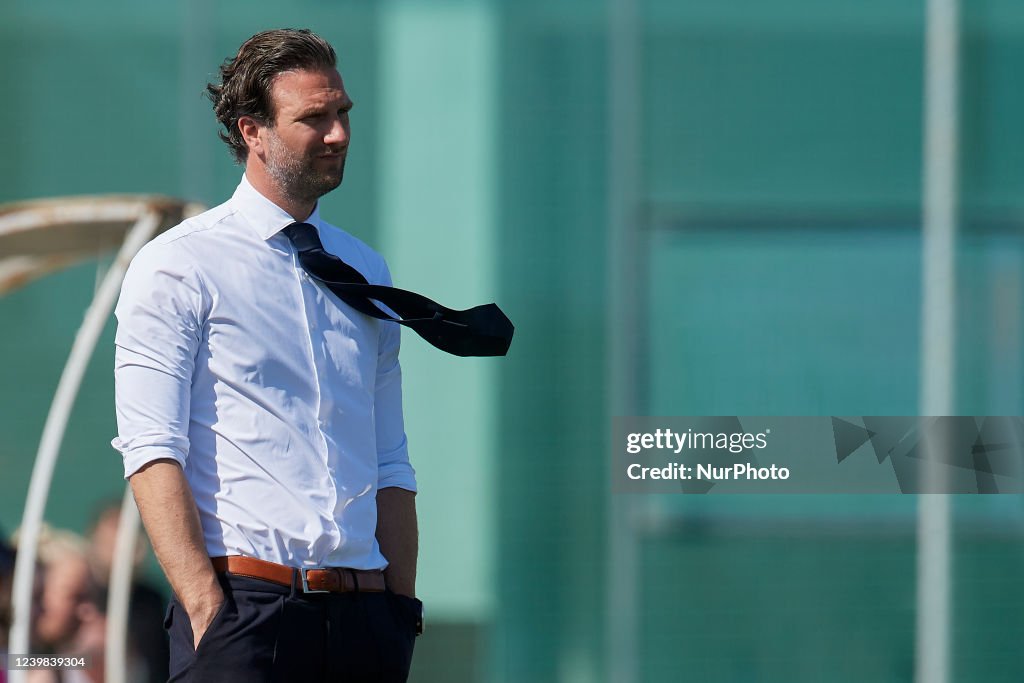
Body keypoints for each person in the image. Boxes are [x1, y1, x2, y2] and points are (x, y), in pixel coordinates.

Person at [112, 28, 421, 682]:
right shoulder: (178, 266)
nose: (338, 133)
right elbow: (151, 450)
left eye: (342, 113)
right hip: (246, 614)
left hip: (366, 619)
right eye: (314, 118)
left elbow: (390, 458)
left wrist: (399, 609)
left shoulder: (365, 269)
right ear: (253, 132)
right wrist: (207, 610)